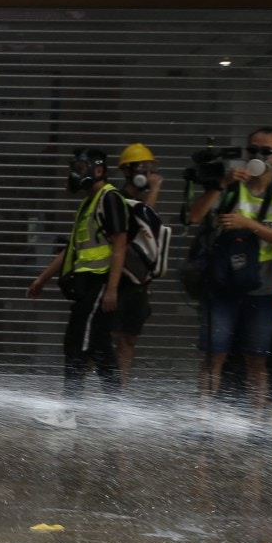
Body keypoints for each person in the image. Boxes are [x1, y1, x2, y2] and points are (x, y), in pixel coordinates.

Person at [185, 127, 272, 424]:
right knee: (214, 354)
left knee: (257, 358)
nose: (258, 156)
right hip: (223, 284)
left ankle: (256, 426)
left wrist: (247, 224)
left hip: (263, 287)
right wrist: (220, 184)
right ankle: (203, 421)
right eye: (253, 150)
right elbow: (195, 216)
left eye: (266, 151)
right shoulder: (231, 185)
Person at [26, 147, 128, 429]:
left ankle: (68, 412)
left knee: (76, 346)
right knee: (100, 348)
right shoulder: (88, 204)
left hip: (100, 283)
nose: (75, 173)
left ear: (98, 169)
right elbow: (71, 249)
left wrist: (112, 288)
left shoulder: (110, 198)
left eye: (81, 168)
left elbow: (120, 246)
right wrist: (42, 279)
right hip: (88, 285)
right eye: (74, 167)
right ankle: (117, 412)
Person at [112, 142, 162, 387]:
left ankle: (119, 390)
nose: (146, 172)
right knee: (104, 336)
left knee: (129, 338)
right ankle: (88, 392)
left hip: (138, 282)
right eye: (140, 166)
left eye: (149, 167)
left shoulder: (140, 200)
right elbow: (145, 223)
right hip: (118, 278)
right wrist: (155, 190)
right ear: (127, 170)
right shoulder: (118, 199)